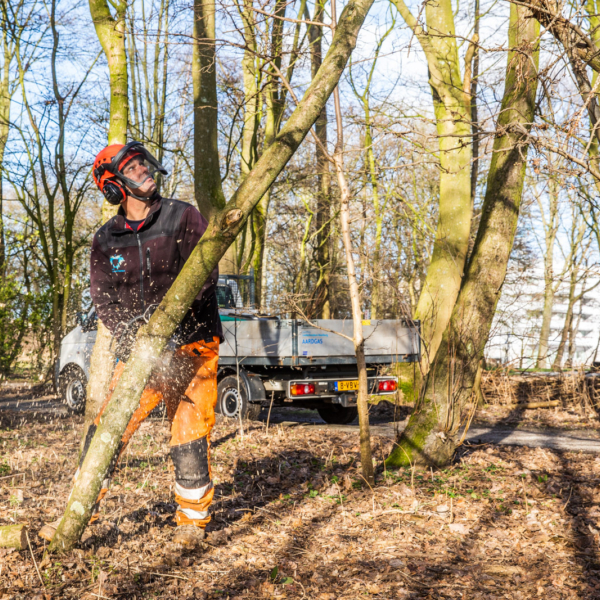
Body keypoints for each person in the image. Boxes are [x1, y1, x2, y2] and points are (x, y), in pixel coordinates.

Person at [40, 142, 222, 547]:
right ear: (113, 186)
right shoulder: (107, 238)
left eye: (144, 163)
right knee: (110, 425)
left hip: (193, 343)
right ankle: (78, 510)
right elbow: (104, 297)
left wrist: (174, 325)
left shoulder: (182, 216)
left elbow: (205, 273)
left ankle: (192, 520)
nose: (143, 170)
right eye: (133, 167)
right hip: (141, 351)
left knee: (188, 428)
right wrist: (128, 334)